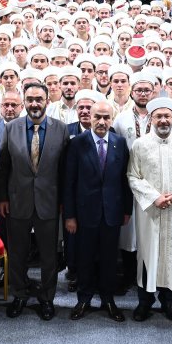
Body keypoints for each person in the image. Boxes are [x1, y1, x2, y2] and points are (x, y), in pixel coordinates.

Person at [0, 82, 68, 320]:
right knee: (18, 253)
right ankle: (19, 295)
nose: (34, 104)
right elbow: (3, 166)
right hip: (17, 200)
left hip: (50, 200)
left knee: (49, 255)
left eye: (39, 99)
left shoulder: (61, 129)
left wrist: (64, 201)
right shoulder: (12, 128)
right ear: (24, 102)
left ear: (47, 101)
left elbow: (64, 171)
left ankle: (47, 298)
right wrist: (2, 198)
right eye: (30, 99)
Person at [62, 100, 131, 322]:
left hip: (112, 212)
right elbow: (69, 182)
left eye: (106, 117)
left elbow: (124, 179)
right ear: (89, 117)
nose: (101, 122)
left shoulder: (120, 143)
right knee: (85, 258)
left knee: (109, 259)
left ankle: (108, 299)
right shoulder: (76, 143)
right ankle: (84, 298)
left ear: (112, 119)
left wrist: (126, 210)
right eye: (97, 117)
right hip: (84, 214)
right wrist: (70, 216)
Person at [128, 96, 172, 322]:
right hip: (149, 212)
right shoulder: (140, 144)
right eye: (159, 116)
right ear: (152, 119)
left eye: (167, 115)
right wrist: (154, 197)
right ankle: (144, 303)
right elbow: (133, 177)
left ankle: (169, 302)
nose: (164, 120)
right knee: (147, 255)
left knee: (171, 257)